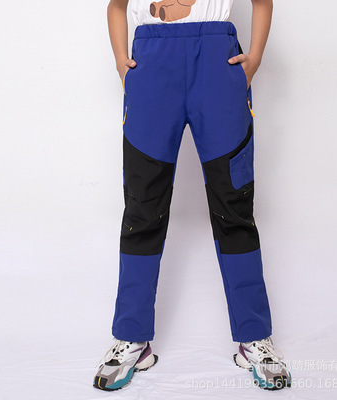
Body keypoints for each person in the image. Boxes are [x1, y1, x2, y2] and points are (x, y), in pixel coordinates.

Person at [93, 0, 291, 391]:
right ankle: (132, 337)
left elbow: (262, 1)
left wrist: (254, 59)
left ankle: (254, 337)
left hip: (217, 67)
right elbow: (116, 6)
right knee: (142, 209)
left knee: (233, 206)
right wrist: (121, 63)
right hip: (151, 69)